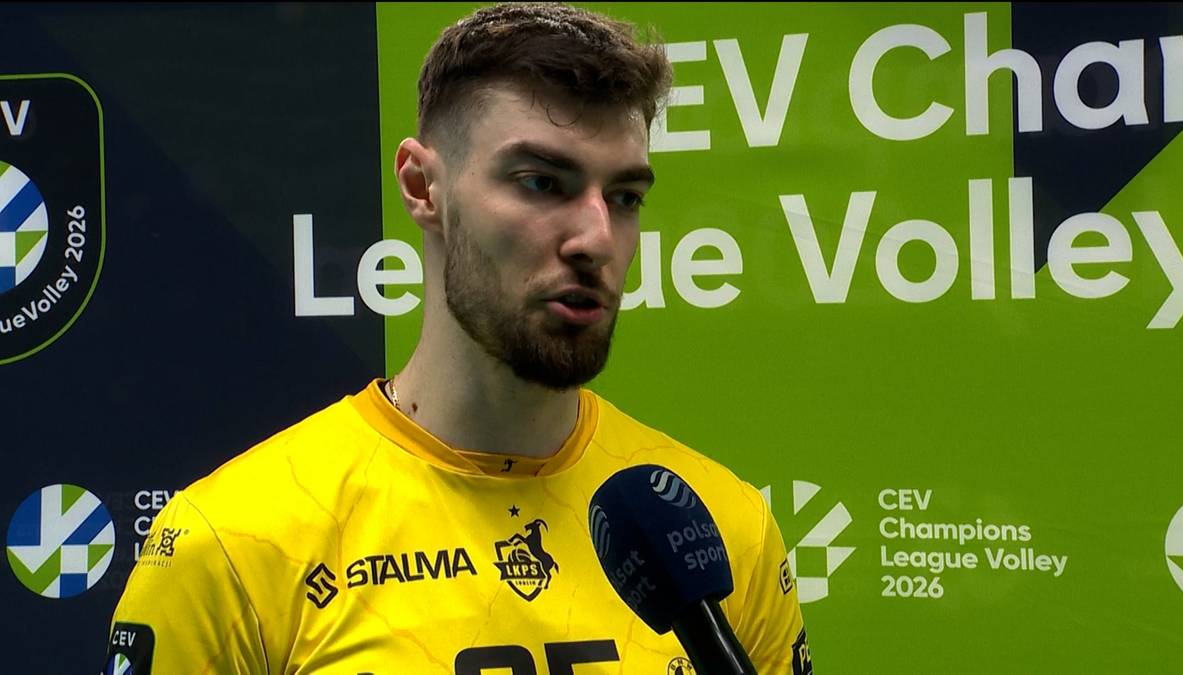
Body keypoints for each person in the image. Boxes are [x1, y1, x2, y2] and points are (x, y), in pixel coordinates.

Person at [105, 3, 810, 673]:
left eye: (624, 197)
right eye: (541, 182)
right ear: (422, 186)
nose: (597, 238)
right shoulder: (234, 543)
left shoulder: (720, 527)